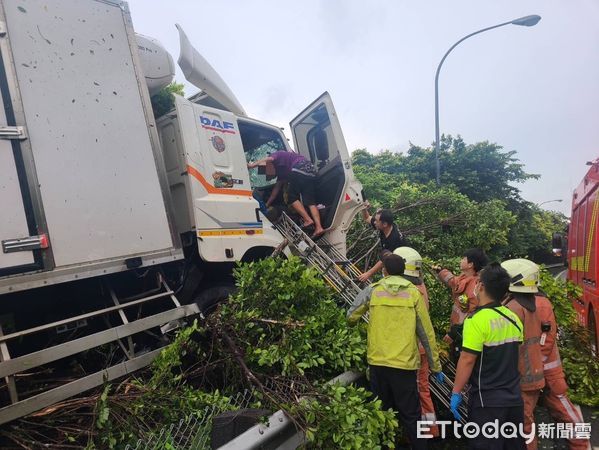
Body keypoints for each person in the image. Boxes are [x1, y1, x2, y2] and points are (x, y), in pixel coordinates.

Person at [348, 254, 443, 450]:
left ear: (385, 271)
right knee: (412, 415)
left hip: (378, 363)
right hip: (404, 366)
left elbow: (351, 316)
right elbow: (426, 333)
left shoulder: (373, 291)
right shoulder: (414, 294)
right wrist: (435, 365)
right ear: (404, 271)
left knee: (381, 412)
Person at [504, 259, 589, 450]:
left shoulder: (536, 304)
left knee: (561, 412)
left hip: (544, 371)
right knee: (539, 415)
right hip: (536, 369)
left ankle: (581, 445)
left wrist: (536, 364)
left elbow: (544, 340)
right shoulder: (526, 301)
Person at [450, 262, 525, 450]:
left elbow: (467, 359)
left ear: (481, 286)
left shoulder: (476, 321)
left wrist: (456, 392)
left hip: (487, 401)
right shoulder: (512, 318)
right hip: (514, 399)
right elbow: (519, 359)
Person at [394, 246, 440, 438]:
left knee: (413, 391)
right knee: (423, 389)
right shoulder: (420, 286)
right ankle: (431, 430)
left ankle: (420, 432)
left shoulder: (408, 290)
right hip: (422, 348)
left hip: (412, 349)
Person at [501, 259, 546, 450]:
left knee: (523, 425)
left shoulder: (514, 309)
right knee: (525, 422)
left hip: (522, 377)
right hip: (532, 374)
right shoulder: (530, 304)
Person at [247, 150, 324, 237]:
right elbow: (276, 190)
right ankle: (319, 227)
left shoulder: (276, 154)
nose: (268, 175)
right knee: (311, 202)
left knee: (291, 198)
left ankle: (308, 220)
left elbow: (268, 159)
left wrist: (251, 165)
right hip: (311, 171)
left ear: (268, 165)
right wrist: (267, 204)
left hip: (299, 167)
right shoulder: (282, 171)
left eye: (266, 171)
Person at [432, 248, 489, 359]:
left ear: (470, 264)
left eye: (463, 258)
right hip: (457, 332)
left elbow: (474, 314)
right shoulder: (464, 278)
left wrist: (455, 332)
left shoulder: (476, 286)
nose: (461, 260)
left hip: (464, 334)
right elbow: (453, 281)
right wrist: (441, 271)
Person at [358, 204, 406, 282]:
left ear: (384, 224)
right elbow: (367, 218)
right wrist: (364, 208)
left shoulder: (394, 238)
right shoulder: (384, 227)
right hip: (392, 259)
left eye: (377, 221)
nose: (375, 222)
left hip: (403, 265)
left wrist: (368, 274)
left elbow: (385, 260)